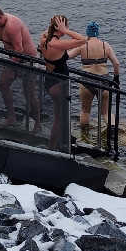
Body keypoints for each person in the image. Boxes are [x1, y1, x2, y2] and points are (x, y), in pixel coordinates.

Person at [0, 5, 40, 128]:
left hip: (27, 60)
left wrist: (10, 67)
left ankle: (38, 123)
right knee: (3, 85)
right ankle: (11, 117)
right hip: (14, 59)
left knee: (29, 93)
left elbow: (19, 50)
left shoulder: (12, 26)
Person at [38, 15, 87, 150]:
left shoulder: (43, 38)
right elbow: (84, 40)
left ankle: (59, 142)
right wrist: (66, 31)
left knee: (58, 116)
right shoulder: (58, 44)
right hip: (60, 83)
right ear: (59, 28)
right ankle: (53, 147)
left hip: (49, 80)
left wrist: (58, 27)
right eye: (66, 26)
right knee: (59, 119)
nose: (67, 29)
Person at [67, 21, 120, 144]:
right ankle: (112, 134)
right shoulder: (105, 45)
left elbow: (67, 56)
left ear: (87, 33)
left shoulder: (83, 45)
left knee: (85, 111)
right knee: (106, 112)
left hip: (86, 80)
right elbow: (116, 63)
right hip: (104, 80)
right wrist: (116, 78)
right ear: (98, 32)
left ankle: (84, 136)